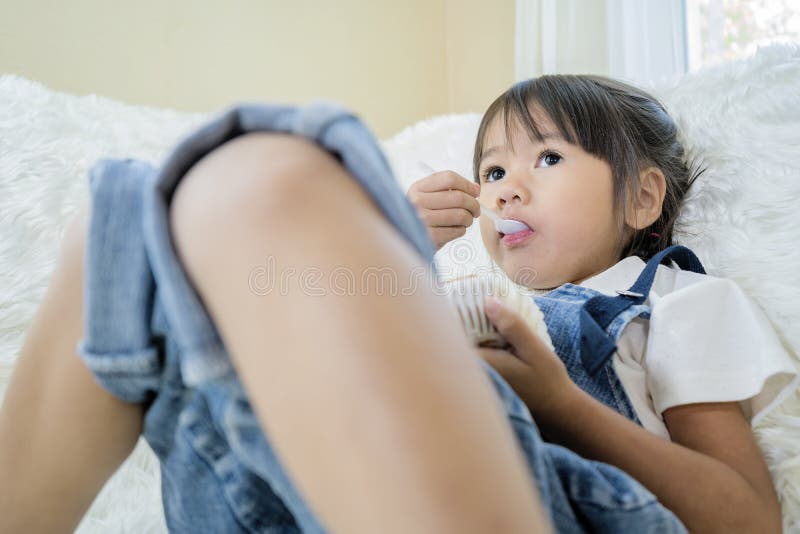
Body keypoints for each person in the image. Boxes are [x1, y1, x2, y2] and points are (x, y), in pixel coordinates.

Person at [407, 74, 798, 533]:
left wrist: (561, 405)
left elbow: (748, 520)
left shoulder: (680, 301)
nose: (504, 191)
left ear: (640, 197)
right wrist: (402, 246)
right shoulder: (482, 299)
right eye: (493, 173)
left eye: (548, 157)